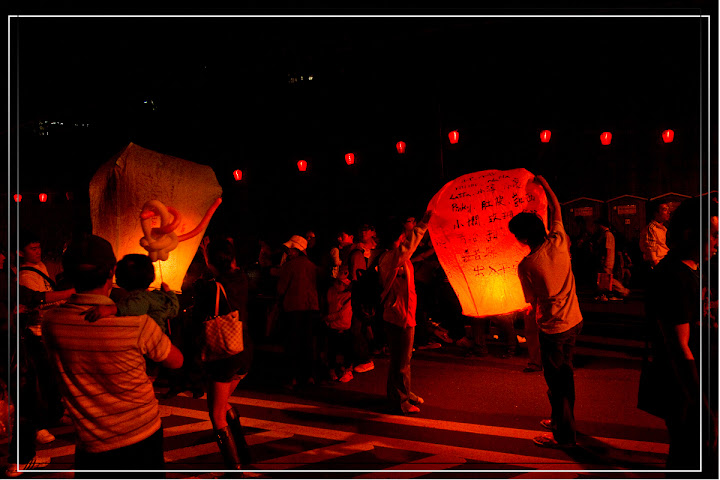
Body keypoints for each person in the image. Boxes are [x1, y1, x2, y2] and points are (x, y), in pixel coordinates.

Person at [41, 234, 183, 477]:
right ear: (111, 272)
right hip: (142, 433)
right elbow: (176, 361)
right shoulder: (138, 324)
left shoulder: (52, 323)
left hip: (91, 443)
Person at [508, 176, 583, 448]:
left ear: (523, 238)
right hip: (574, 320)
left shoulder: (527, 265)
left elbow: (531, 301)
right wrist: (545, 184)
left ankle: (564, 436)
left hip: (553, 328)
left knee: (558, 382)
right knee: (565, 376)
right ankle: (559, 420)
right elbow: (557, 207)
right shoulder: (559, 240)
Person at [645, 197, 718, 471]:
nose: (718, 243)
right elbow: (679, 347)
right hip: (688, 392)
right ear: (690, 233)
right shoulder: (673, 277)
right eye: (714, 235)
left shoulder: (694, 269)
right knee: (691, 460)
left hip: (701, 386)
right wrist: (703, 409)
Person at [193, 236, 255, 471]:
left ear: (212, 262)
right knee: (224, 402)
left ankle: (234, 470)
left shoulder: (209, 288)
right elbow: (224, 266)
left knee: (216, 414)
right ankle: (244, 455)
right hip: (244, 349)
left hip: (224, 353)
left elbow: (198, 313)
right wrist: (209, 254)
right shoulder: (241, 278)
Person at [16, 231, 75, 447]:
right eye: (32, 248)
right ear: (20, 253)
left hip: (47, 329)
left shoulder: (40, 266)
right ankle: (37, 426)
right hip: (35, 332)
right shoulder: (25, 276)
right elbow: (36, 301)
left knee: (51, 377)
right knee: (39, 380)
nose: (38, 252)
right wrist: (65, 296)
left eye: (39, 247)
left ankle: (54, 414)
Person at [377, 210, 433, 415]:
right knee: (400, 362)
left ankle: (404, 392)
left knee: (403, 360)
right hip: (398, 316)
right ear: (399, 236)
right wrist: (423, 224)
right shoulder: (391, 257)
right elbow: (410, 246)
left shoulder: (394, 257)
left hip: (404, 314)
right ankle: (400, 400)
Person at [277, 234, 320, 389]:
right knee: (308, 343)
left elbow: (280, 289)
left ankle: (292, 378)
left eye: (290, 249)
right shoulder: (313, 266)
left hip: (293, 308)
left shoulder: (289, 266)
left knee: (292, 343)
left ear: (297, 250)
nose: (288, 252)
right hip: (311, 309)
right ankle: (310, 376)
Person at [639, 201, 671, 268]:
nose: (669, 212)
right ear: (656, 213)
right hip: (658, 264)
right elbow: (651, 251)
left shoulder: (663, 228)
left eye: (668, 210)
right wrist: (657, 268)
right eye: (665, 210)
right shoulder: (652, 229)